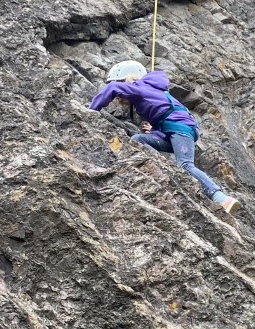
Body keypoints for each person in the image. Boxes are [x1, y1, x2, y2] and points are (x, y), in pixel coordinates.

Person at [89, 60, 240, 214]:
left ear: (127, 81)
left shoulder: (139, 87)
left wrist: (90, 111)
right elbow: (166, 113)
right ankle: (161, 169)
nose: (117, 98)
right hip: (177, 130)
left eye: (121, 90)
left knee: (185, 165)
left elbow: (112, 88)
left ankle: (221, 197)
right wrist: (156, 132)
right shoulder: (150, 90)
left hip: (181, 128)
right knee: (138, 140)